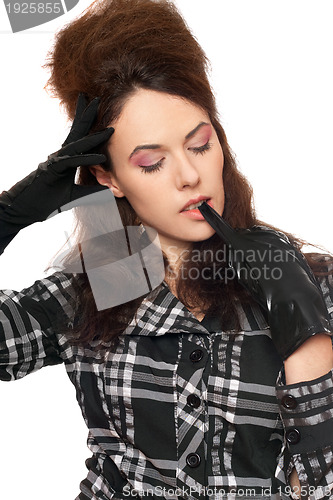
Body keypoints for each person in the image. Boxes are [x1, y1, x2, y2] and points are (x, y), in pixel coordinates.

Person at [1, 0, 333, 499]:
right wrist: (7, 217)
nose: (190, 176)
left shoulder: (313, 286)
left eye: (200, 145)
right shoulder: (94, 290)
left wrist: (309, 341)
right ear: (107, 176)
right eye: (152, 162)